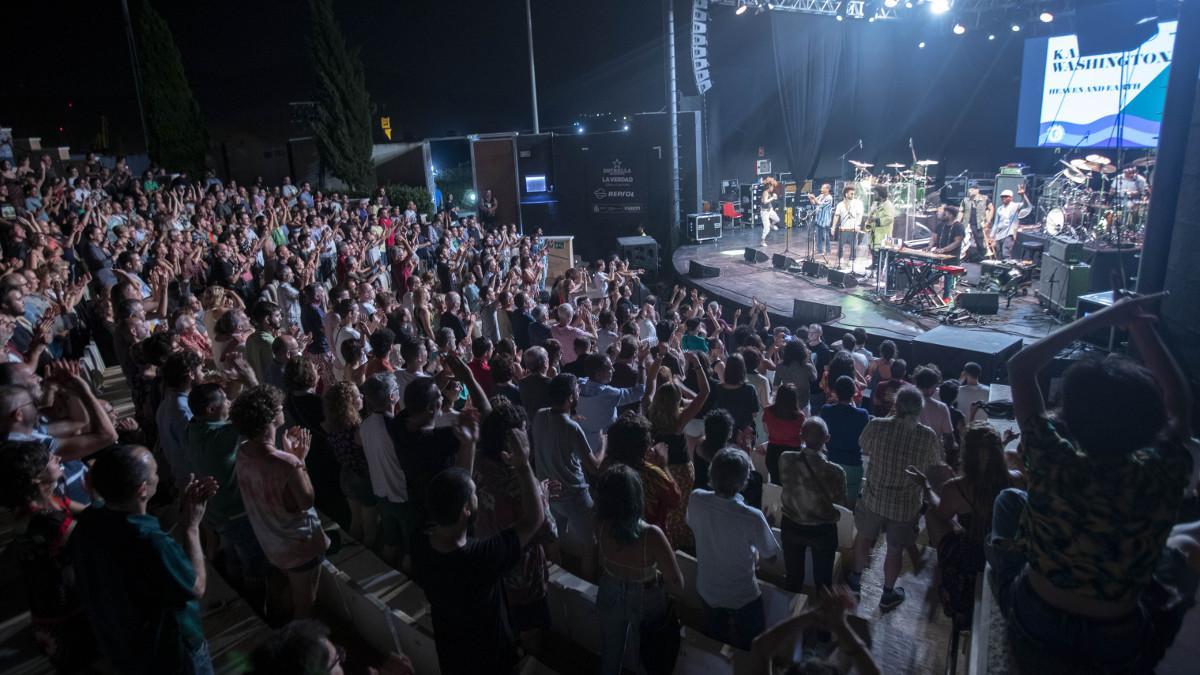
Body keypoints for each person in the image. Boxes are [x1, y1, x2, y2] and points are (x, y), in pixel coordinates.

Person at [989, 294, 1197, 670]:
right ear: (1151, 424)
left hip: (1035, 621)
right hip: (1119, 639)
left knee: (1008, 501)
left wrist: (1108, 317)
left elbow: (1020, 368)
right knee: (1177, 557)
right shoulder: (1161, 473)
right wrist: (1139, 326)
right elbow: (1180, 409)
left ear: (1070, 417)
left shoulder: (1054, 461)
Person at [70, 445, 219, 674]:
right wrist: (191, 526)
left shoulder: (88, 524)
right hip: (170, 654)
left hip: (123, 649)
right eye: (155, 473)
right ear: (142, 489)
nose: (158, 477)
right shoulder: (150, 542)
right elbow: (196, 587)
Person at [411, 426, 545, 675]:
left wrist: (469, 446)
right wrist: (524, 464)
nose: (478, 495)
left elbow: (456, 491)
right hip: (492, 660)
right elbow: (533, 519)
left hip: (453, 655)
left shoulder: (421, 544)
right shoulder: (482, 558)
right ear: (465, 510)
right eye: (474, 495)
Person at [230, 385, 330, 620]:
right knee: (306, 601)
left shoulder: (243, 451)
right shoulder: (286, 464)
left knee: (288, 587)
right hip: (299, 545)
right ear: (270, 417)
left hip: (271, 540)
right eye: (278, 407)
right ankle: (300, 643)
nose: (282, 408)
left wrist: (286, 454)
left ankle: (277, 618)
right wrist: (299, 461)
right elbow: (306, 501)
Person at [0, 440, 95, 671]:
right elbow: (96, 542)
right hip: (69, 617)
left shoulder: (45, 504)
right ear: (37, 479)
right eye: (50, 459)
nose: (58, 458)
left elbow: (90, 516)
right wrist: (97, 491)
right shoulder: (46, 523)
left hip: (59, 608)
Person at [906, 423, 1012, 625]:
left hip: (971, 556)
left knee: (931, 515)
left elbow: (941, 513)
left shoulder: (956, 487)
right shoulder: (1016, 480)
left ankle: (947, 571)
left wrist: (926, 486)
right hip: (1002, 553)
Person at [849, 385, 942, 610]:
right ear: (919, 410)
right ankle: (887, 594)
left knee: (863, 539)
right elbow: (933, 465)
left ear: (896, 406)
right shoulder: (927, 436)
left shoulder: (877, 425)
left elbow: (863, 446)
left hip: (874, 497)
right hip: (905, 505)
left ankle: (854, 584)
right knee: (894, 549)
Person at [473, 398, 558, 643]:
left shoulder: (478, 461)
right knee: (530, 629)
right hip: (522, 575)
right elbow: (548, 531)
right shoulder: (518, 483)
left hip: (488, 561)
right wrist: (543, 497)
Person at [594, 465, 686, 675]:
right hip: (647, 598)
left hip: (609, 588)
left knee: (610, 656)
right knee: (648, 658)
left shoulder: (599, 523)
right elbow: (677, 584)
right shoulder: (652, 535)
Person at [687, 447, 781, 650]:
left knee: (716, 643)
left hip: (707, 590)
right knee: (752, 647)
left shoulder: (696, 498)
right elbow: (771, 557)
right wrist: (766, 527)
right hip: (743, 596)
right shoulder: (753, 516)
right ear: (743, 481)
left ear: (711, 472)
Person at [531, 373, 603, 575]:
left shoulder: (539, 415)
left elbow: (554, 426)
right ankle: (587, 587)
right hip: (574, 495)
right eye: (577, 390)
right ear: (571, 397)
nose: (579, 392)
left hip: (548, 494)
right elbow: (594, 466)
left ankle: (556, 582)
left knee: (554, 538)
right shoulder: (572, 428)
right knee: (591, 542)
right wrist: (603, 441)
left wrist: (570, 418)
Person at [647, 351, 710, 548]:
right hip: (681, 471)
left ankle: (664, 544)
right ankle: (679, 547)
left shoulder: (649, 412)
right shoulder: (678, 421)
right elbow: (704, 393)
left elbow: (650, 382)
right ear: (677, 401)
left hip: (657, 468)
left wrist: (656, 359)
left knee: (662, 507)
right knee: (680, 510)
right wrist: (697, 364)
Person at [778, 418, 846, 592]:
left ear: (801, 437)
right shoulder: (835, 471)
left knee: (793, 578)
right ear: (827, 439)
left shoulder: (785, 458)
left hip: (791, 525)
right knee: (823, 583)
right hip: (822, 530)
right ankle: (822, 615)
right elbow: (839, 499)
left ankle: (792, 612)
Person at [359, 373, 417, 568]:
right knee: (410, 549)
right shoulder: (396, 427)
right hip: (401, 494)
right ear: (392, 397)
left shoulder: (364, 426)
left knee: (390, 543)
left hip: (380, 493)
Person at [604, 413, 682, 533]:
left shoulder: (607, 467)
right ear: (644, 446)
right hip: (648, 539)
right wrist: (663, 466)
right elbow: (675, 500)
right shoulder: (653, 474)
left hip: (615, 537)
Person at [322, 381, 377, 547]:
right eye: (358, 396)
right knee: (370, 528)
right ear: (349, 403)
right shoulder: (358, 430)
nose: (362, 397)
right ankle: (370, 558)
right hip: (363, 480)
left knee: (356, 520)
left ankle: (353, 548)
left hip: (346, 475)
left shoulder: (331, 424)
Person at [576, 351, 650, 453]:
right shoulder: (607, 394)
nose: (613, 370)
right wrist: (641, 364)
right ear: (598, 374)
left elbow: (587, 377)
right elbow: (639, 392)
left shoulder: (578, 385)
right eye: (609, 368)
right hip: (602, 447)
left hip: (581, 444)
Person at [819, 375, 870, 507]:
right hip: (853, 465)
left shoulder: (826, 410)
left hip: (831, 462)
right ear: (854, 392)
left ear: (835, 392)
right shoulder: (863, 414)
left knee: (827, 503)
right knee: (848, 508)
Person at [762, 383, 805, 485]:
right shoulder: (800, 416)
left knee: (775, 482)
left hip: (773, 452)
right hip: (793, 454)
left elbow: (766, 430)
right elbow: (803, 437)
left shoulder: (768, 411)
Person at [931, 204, 965, 299]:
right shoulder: (940, 225)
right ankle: (928, 292)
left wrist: (943, 250)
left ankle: (946, 297)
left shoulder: (959, 226)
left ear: (951, 215)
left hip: (951, 259)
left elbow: (957, 242)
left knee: (948, 276)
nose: (942, 215)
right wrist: (929, 246)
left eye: (944, 213)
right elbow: (933, 237)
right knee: (929, 274)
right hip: (939, 258)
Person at [958, 181, 994, 262]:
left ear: (977, 190)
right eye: (969, 189)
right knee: (964, 241)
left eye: (972, 189)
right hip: (967, 223)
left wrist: (988, 220)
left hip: (979, 223)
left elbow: (991, 208)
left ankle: (983, 258)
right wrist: (957, 221)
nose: (970, 191)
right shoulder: (965, 200)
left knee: (980, 242)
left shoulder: (985, 198)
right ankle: (962, 258)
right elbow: (961, 211)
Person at [990, 186, 1029, 259]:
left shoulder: (1015, 206)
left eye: (1006, 196)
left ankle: (1007, 268)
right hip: (999, 234)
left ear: (1011, 198)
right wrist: (992, 235)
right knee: (999, 253)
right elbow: (996, 223)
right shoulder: (1000, 208)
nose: (1003, 198)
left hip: (1009, 234)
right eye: (1002, 197)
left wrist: (1023, 195)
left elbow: (1026, 205)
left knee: (1006, 252)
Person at [832, 185, 864, 269]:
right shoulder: (840, 204)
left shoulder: (858, 203)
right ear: (846, 194)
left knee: (853, 246)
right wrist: (833, 227)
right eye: (851, 194)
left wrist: (858, 225)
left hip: (853, 229)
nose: (853, 195)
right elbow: (836, 216)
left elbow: (860, 215)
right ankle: (841, 258)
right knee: (841, 245)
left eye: (854, 194)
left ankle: (851, 260)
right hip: (843, 228)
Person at [865, 184, 894, 271]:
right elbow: (870, 216)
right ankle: (874, 264)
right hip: (874, 232)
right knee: (873, 249)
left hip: (883, 233)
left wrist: (876, 220)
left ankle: (880, 268)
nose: (874, 195)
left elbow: (889, 218)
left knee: (881, 252)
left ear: (880, 194)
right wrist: (868, 224)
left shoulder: (888, 205)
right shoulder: (875, 204)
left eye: (875, 193)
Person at [806, 183, 834, 257]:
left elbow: (820, 204)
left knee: (826, 236)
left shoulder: (829, 198)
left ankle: (828, 250)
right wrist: (810, 198)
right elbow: (814, 203)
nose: (821, 189)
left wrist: (814, 198)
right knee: (818, 235)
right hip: (818, 219)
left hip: (825, 221)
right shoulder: (821, 196)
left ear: (827, 189)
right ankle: (820, 250)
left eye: (823, 188)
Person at [759, 177, 780, 246]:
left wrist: (774, 197)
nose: (773, 188)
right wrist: (772, 198)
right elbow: (765, 201)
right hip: (764, 212)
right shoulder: (765, 192)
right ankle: (762, 241)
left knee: (777, 219)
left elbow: (770, 201)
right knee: (767, 228)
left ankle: (772, 225)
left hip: (770, 210)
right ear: (769, 186)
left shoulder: (769, 192)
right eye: (772, 187)